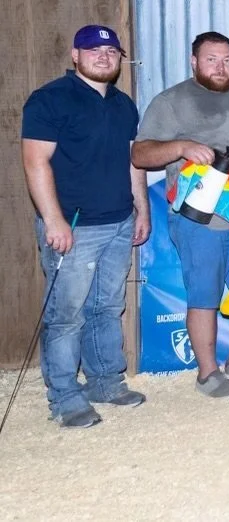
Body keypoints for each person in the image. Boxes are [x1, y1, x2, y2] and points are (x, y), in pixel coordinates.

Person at [132, 32, 229, 399]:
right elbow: (140, 154)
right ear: (193, 61)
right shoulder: (172, 101)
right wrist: (182, 146)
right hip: (199, 219)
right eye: (212, 59)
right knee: (205, 295)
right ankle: (207, 374)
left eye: (227, 59)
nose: (221, 67)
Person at [21, 25, 150, 428]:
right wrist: (53, 219)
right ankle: (64, 397)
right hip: (74, 228)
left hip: (117, 221)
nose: (104, 56)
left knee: (108, 307)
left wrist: (140, 210)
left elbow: (133, 161)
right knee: (66, 315)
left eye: (112, 51)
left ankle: (106, 381)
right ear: (75, 55)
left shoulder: (124, 105)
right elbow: (35, 161)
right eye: (94, 50)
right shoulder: (49, 100)